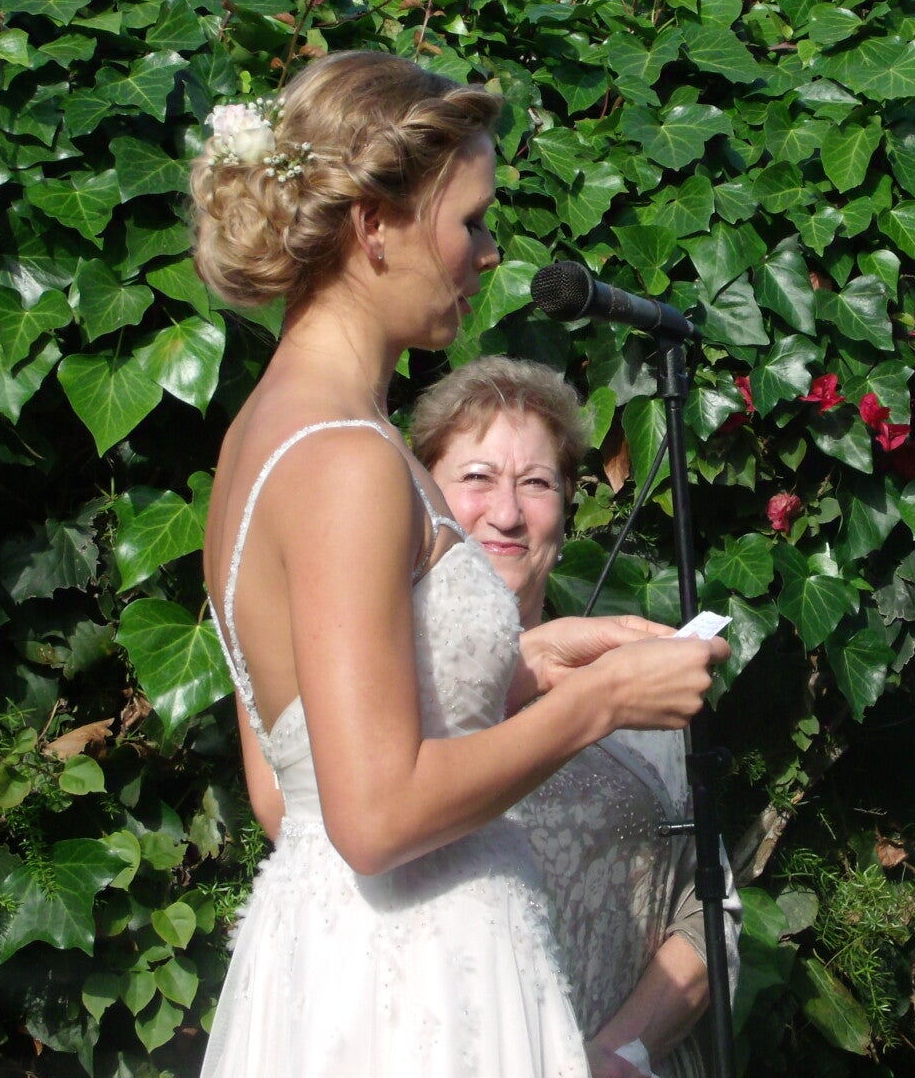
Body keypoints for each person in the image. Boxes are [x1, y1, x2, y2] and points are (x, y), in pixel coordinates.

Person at [189, 52, 729, 1078]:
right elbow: (377, 813)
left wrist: (534, 664)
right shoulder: (345, 458)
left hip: (335, 960)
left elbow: (293, 777)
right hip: (417, 985)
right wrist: (602, 702)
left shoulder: (267, 437)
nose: (489, 254)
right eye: (472, 219)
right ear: (373, 226)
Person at [411, 356, 740, 1078]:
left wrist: (613, 1057)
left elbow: (710, 913)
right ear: (424, 496)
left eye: (535, 483)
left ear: (565, 507)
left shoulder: (638, 697)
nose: (505, 512)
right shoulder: (388, 696)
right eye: (476, 478)